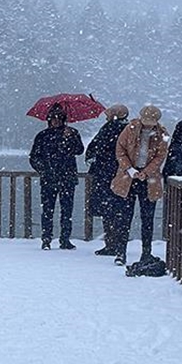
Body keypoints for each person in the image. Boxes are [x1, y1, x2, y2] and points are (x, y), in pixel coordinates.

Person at [109, 105, 169, 267]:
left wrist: (146, 172)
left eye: (152, 122)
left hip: (149, 181)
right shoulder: (130, 129)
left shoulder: (162, 134)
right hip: (128, 178)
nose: (149, 124)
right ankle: (120, 252)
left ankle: (146, 252)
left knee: (147, 218)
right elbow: (119, 149)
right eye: (146, 121)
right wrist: (129, 169)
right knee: (124, 217)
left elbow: (160, 156)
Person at [29, 103, 84, 250]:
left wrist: (69, 138)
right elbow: (34, 157)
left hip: (68, 178)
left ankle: (65, 240)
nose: (56, 120)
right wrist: (44, 170)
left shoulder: (72, 132)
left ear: (64, 119)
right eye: (53, 118)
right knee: (47, 210)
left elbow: (79, 150)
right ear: (48, 119)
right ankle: (46, 239)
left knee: (67, 211)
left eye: (59, 118)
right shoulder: (42, 136)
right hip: (48, 179)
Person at [84, 104, 130, 256]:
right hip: (120, 174)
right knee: (118, 211)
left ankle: (111, 243)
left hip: (106, 174)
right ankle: (118, 243)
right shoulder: (128, 129)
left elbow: (95, 147)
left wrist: (94, 157)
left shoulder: (110, 128)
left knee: (108, 210)